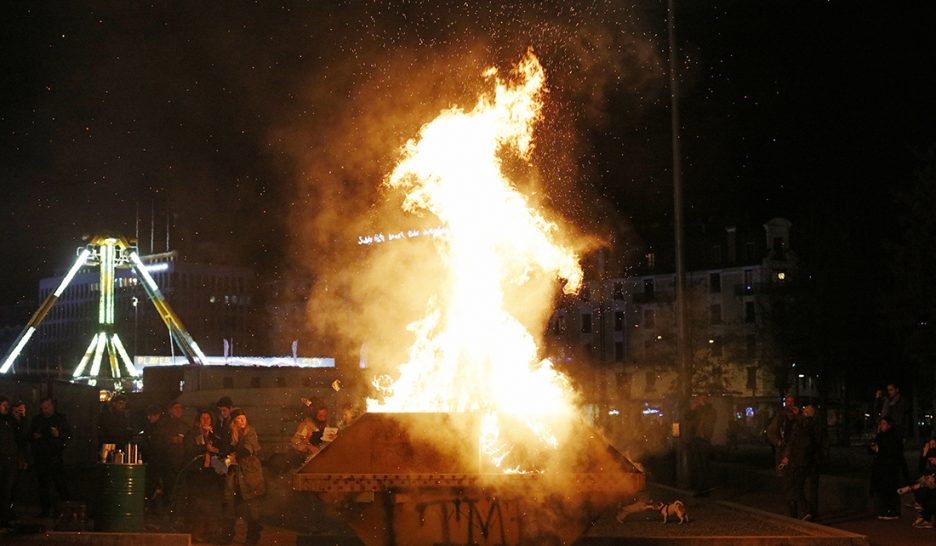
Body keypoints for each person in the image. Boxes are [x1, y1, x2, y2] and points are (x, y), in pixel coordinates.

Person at [221, 408, 264, 545]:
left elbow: (247, 449)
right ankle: (227, 536)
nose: (242, 421)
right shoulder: (230, 433)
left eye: (243, 418)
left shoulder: (250, 432)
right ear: (234, 421)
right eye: (238, 419)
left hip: (250, 475)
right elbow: (225, 447)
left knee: (252, 509)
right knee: (231, 507)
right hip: (235, 476)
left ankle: (252, 537)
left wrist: (234, 453)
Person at [183, 409, 224, 542]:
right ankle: (197, 533)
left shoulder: (216, 435)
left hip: (212, 472)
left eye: (208, 418)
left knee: (212, 503)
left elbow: (222, 450)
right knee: (197, 503)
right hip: (197, 472)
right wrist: (204, 447)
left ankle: (211, 532)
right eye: (203, 418)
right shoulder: (192, 434)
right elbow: (190, 450)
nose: (205, 420)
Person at [30, 397, 71, 518]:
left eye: (46, 407)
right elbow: (30, 435)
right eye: (42, 408)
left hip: (55, 456)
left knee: (60, 483)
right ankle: (45, 510)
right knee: (43, 485)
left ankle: (66, 509)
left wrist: (59, 435)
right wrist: (34, 437)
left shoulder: (60, 419)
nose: (44, 410)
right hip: (41, 456)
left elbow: (68, 434)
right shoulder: (37, 419)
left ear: (52, 406)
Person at [869, 416, 903, 520]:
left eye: (883, 423)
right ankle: (883, 509)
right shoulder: (879, 436)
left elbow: (894, 451)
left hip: (890, 467)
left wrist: (880, 450)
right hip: (880, 466)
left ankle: (892, 510)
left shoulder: (894, 436)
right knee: (881, 489)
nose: (881, 426)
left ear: (889, 425)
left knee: (890, 488)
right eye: (881, 424)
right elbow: (873, 449)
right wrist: (872, 448)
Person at [898, 440, 936, 528]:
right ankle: (924, 517)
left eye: (934, 444)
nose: (932, 462)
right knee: (922, 490)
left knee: (928, 493)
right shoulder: (929, 458)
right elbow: (922, 468)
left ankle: (925, 517)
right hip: (930, 483)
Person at [159, 400, 189, 509]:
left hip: (182, 461)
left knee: (180, 488)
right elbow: (160, 440)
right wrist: (171, 440)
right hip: (169, 461)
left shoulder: (184, 425)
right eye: (176, 408)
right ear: (170, 410)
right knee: (169, 487)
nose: (179, 410)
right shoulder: (164, 424)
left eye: (180, 408)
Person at [685, 395, 716, 493]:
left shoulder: (710, 410)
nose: (699, 400)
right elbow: (687, 417)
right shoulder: (697, 410)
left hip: (704, 439)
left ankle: (704, 485)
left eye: (702, 398)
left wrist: (702, 405)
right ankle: (700, 485)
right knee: (697, 463)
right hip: (696, 438)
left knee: (703, 463)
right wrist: (693, 408)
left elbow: (710, 420)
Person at [138, 404, 165, 510]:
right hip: (154, 458)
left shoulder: (158, 428)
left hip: (156, 459)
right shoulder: (153, 427)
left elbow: (156, 444)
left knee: (154, 483)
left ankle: (155, 507)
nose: (149, 418)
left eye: (151, 415)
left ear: (156, 415)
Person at [765, 395, 799, 466]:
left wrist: (798, 416)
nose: (790, 404)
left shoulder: (798, 416)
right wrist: (778, 442)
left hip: (795, 450)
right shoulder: (780, 416)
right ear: (785, 403)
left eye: (792, 401)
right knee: (783, 471)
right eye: (788, 401)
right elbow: (770, 431)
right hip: (783, 449)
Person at [0, 397, 18, 528]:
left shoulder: (10, 420)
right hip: (3, 458)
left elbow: (19, 437)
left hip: (9, 458)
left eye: (7, 405)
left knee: (7, 490)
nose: (5, 407)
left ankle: (5, 517)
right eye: (3, 405)